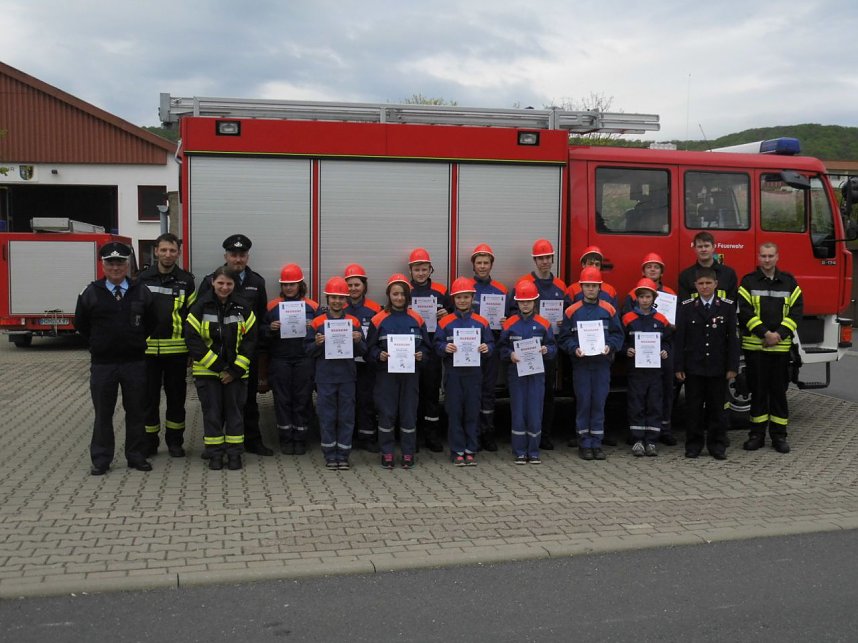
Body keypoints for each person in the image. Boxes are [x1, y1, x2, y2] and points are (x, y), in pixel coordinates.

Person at [74, 242, 156, 475]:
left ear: (128, 264)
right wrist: (101, 344)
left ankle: (136, 456)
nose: (116, 267)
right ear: (103, 265)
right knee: (103, 413)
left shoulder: (141, 290)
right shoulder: (91, 292)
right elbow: (81, 325)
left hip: (135, 362)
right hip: (104, 365)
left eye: (120, 262)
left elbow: (151, 322)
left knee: (137, 411)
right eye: (111, 262)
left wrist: (133, 341)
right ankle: (101, 459)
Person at [197, 234, 273, 456]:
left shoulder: (256, 282)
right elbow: (199, 316)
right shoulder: (210, 280)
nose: (237, 259)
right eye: (233, 255)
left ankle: (253, 441)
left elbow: (260, 318)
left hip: (244, 356)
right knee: (216, 404)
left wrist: (257, 350)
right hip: (216, 356)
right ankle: (215, 445)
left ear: (247, 257)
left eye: (242, 255)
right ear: (225, 256)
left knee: (248, 400)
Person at [185, 266, 257, 471]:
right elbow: (192, 339)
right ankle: (215, 454)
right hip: (208, 373)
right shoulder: (200, 306)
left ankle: (234, 454)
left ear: (235, 285)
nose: (224, 287)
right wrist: (220, 367)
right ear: (212, 283)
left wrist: (234, 371)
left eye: (229, 284)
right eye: (220, 283)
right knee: (212, 414)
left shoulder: (244, 307)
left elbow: (250, 341)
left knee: (235, 414)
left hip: (236, 374)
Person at [738, 243, 802, 454]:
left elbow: (796, 313)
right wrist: (766, 334)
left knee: (778, 393)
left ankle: (779, 436)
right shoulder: (748, 282)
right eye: (763, 256)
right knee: (757, 392)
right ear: (758, 257)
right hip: (755, 347)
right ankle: (756, 435)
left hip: (780, 349)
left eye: (770, 256)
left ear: (777, 257)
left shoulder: (789, 283)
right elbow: (745, 313)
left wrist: (778, 336)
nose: (766, 260)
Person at [137, 232, 196, 458]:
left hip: (177, 351)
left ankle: (174, 442)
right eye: (164, 250)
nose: (168, 254)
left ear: (178, 253)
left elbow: (191, 317)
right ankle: (149, 442)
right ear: (156, 251)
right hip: (148, 351)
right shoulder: (143, 279)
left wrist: (191, 349)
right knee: (148, 399)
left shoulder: (186, 280)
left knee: (176, 399)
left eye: (172, 250)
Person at [674, 267, 740, 460]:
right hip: (694, 367)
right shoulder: (687, 307)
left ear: (715, 285)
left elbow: (732, 340)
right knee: (693, 409)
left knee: (717, 409)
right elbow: (680, 340)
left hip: (717, 368)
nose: (705, 287)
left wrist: (732, 367)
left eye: (708, 283)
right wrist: (679, 366)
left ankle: (717, 445)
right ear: (695, 286)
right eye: (701, 284)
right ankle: (693, 445)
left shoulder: (726, 307)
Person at [558, 267, 624, 461]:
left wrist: (610, 347)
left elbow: (617, 334)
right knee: (584, 402)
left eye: (594, 286)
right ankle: (584, 442)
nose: (590, 290)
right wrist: (574, 348)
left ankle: (597, 442)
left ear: (600, 287)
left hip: (602, 364)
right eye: (587, 286)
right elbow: (564, 338)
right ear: (581, 287)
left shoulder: (609, 309)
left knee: (599, 402)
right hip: (581, 365)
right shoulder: (572, 311)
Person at [366, 274, 431, 469]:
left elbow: (427, 348)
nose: (399, 298)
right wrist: (379, 355)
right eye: (395, 294)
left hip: (411, 376)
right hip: (386, 376)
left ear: (408, 296)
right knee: (387, 413)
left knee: (409, 413)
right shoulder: (378, 320)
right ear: (389, 295)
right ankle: (386, 452)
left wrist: (421, 355)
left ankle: (408, 452)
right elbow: (368, 349)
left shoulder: (417, 319)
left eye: (403, 294)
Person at [306, 276, 366, 470]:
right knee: (327, 416)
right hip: (325, 378)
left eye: (341, 298)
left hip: (347, 377)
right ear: (327, 298)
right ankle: (330, 454)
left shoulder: (353, 322)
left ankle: (344, 454)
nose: (337, 301)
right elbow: (306, 350)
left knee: (347, 416)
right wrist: (316, 343)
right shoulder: (317, 323)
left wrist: (358, 340)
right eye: (333, 297)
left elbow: (363, 351)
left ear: (346, 299)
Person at [622, 252, 679, 446]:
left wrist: (673, 326)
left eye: (656, 266)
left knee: (664, 391)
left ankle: (664, 429)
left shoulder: (670, 293)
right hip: (639, 358)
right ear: (643, 270)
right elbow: (627, 324)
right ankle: (638, 433)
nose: (652, 269)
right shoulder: (633, 293)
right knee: (639, 397)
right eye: (649, 266)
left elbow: (675, 322)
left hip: (663, 348)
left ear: (662, 271)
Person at [435, 277, 493, 466]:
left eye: (466, 297)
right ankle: (457, 450)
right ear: (453, 299)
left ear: (472, 298)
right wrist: (445, 347)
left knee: (471, 411)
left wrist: (487, 348)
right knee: (454, 412)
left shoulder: (481, 322)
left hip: (474, 375)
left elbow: (491, 343)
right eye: (458, 297)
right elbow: (436, 344)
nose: (462, 301)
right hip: (453, 375)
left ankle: (470, 449)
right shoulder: (445, 322)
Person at [499, 279, 556, 464]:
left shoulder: (543, 324)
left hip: (537, 375)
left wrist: (547, 351)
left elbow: (553, 347)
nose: (525, 304)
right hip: (516, 374)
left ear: (535, 302)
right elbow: (501, 349)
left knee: (535, 410)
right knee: (518, 411)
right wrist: (510, 354)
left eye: (529, 301)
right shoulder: (509, 324)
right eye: (522, 301)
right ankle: (520, 451)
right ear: (517, 302)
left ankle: (534, 450)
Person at [263, 263, 319, 456]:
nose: (288, 288)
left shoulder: (313, 307)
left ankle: (301, 439)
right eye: (285, 284)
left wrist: (314, 326)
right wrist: (270, 328)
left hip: (304, 359)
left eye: (292, 284)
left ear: (300, 284)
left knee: (302, 399)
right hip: (280, 360)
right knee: (282, 400)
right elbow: (261, 331)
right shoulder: (271, 306)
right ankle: (286, 438)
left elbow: (322, 333)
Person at [517, 239, 566, 451]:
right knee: (526, 394)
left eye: (547, 257)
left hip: (548, 347)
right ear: (535, 260)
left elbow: (569, 312)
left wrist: (565, 321)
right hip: (525, 349)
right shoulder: (524, 283)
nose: (544, 261)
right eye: (540, 258)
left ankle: (544, 436)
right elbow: (513, 310)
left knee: (547, 393)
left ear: (553, 259)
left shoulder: (561, 286)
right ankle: (526, 436)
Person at [408, 248, 450, 453]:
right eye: (417, 269)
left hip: (433, 350)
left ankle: (432, 435)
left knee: (432, 394)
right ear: (411, 270)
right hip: (412, 351)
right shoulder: (404, 290)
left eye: (425, 269)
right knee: (413, 394)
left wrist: (445, 314)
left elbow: (452, 317)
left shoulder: (441, 291)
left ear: (430, 269)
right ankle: (413, 436)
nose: (421, 273)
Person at [470, 243, 510, 452]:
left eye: (486, 263)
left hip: (491, 347)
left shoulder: (502, 290)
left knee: (488, 391)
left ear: (491, 265)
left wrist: (505, 321)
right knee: (474, 391)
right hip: (470, 350)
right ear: (473, 265)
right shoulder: (466, 288)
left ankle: (488, 432)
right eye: (479, 263)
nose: (483, 266)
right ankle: (474, 433)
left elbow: (512, 316)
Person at [344, 263, 382, 452]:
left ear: (364, 286)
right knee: (348, 401)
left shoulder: (375, 310)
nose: (353, 289)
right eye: (349, 285)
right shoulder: (338, 307)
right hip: (345, 364)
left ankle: (367, 438)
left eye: (356, 284)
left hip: (368, 364)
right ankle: (349, 437)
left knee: (367, 400)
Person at [678, 231, 738, 302]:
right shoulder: (685, 276)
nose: (703, 249)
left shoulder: (728, 274)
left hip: (722, 313)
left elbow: (732, 303)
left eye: (706, 246)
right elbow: (685, 305)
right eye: (700, 247)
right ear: (695, 249)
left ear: (713, 247)